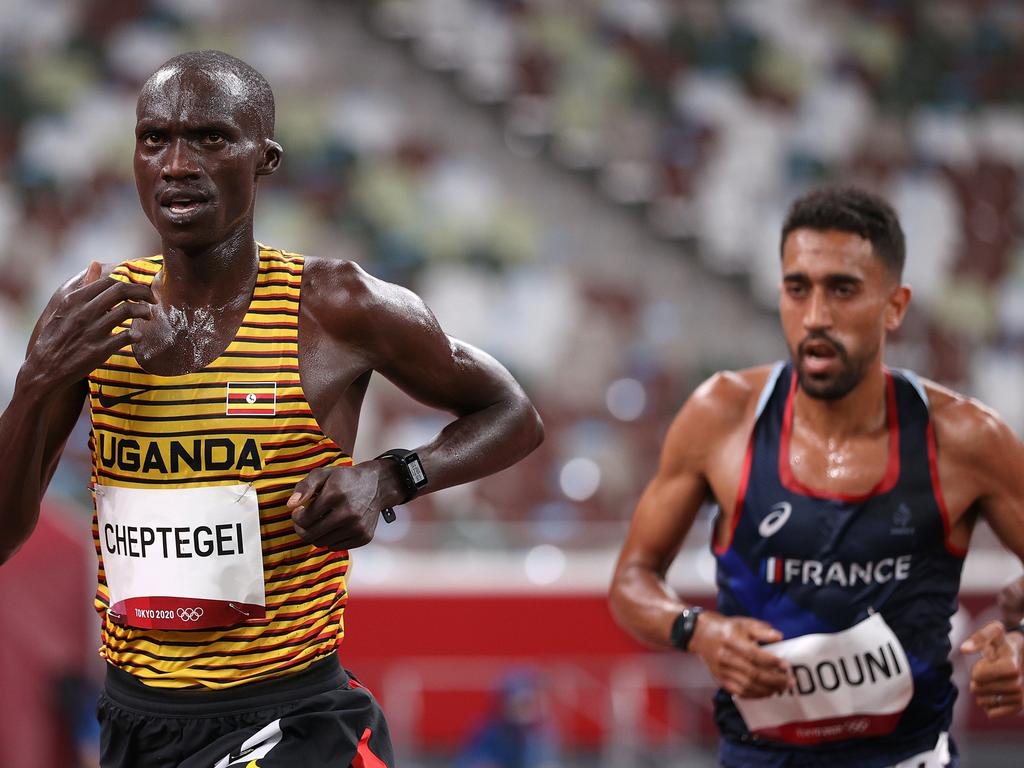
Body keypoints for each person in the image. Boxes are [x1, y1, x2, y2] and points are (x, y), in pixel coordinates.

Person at [0, 50, 543, 768]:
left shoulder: (335, 307)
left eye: (211, 138)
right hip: (136, 720)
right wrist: (36, 381)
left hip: (289, 718)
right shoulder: (94, 316)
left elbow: (513, 413)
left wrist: (389, 478)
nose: (177, 164)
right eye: (154, 138)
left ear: (267, 158)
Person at [608, 185, 1024, 768]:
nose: (816, 317)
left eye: (843, 290)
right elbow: (631, 579)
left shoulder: (966, 439)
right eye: (797, 289)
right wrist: (696, 629)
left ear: (895, 305)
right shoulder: (721, 416)